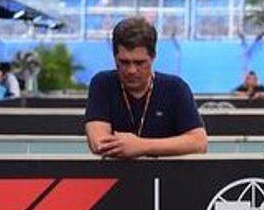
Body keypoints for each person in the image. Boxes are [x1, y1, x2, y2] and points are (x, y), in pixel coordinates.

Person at [84, 16, 207, 159]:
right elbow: (98, 142)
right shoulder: (103, 84)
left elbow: (199, 142)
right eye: (124, 62)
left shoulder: (175, 88)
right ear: (114, 57)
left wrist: (141, 146)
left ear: (153, 57)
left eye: (139, 63)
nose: (131, 70)